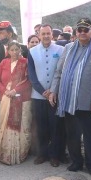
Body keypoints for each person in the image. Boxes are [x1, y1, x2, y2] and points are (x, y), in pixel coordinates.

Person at [49, 18, 91, 177]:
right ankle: (76, 162)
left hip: (88, 101)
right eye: (80, 30)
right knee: (73, 134)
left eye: (86, 29)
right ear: (76, 32)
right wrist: (54, 91)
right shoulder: (68, 48)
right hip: (68, 100)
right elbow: (59, 72)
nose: (82, 32)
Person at [27, 24, 66, 167]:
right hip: (38, 96)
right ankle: (42, 154)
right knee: (41, 127)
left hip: (55, 96)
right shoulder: (32, 52)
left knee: (56, 126)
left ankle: (55, 155)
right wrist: (43, 91)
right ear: (39, 35)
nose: (46, 36)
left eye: (48, 33)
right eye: (43, 34)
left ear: (52, 34)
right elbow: (32, 75)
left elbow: (61, 71)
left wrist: (53, 91)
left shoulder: (61, 50)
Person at [0, 41, 32, 165]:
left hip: (22, 99)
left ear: (20, 49)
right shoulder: (4, 62)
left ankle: (20, 154)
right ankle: (5, 154)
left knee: (23, 126)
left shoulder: (25, 62)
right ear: (8, 51)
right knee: (5, 125)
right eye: (12, 50)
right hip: (6, 99)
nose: (14, 52)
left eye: (17, 49)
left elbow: (29, 81)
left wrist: (15, 90)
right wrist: (6, 91)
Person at [0, 21, 28, 124]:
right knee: (3, 119)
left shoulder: (24, 49)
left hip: (20, 92)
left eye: (2, 33)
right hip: (2, 92)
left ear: (10, 34)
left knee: (19, 120)